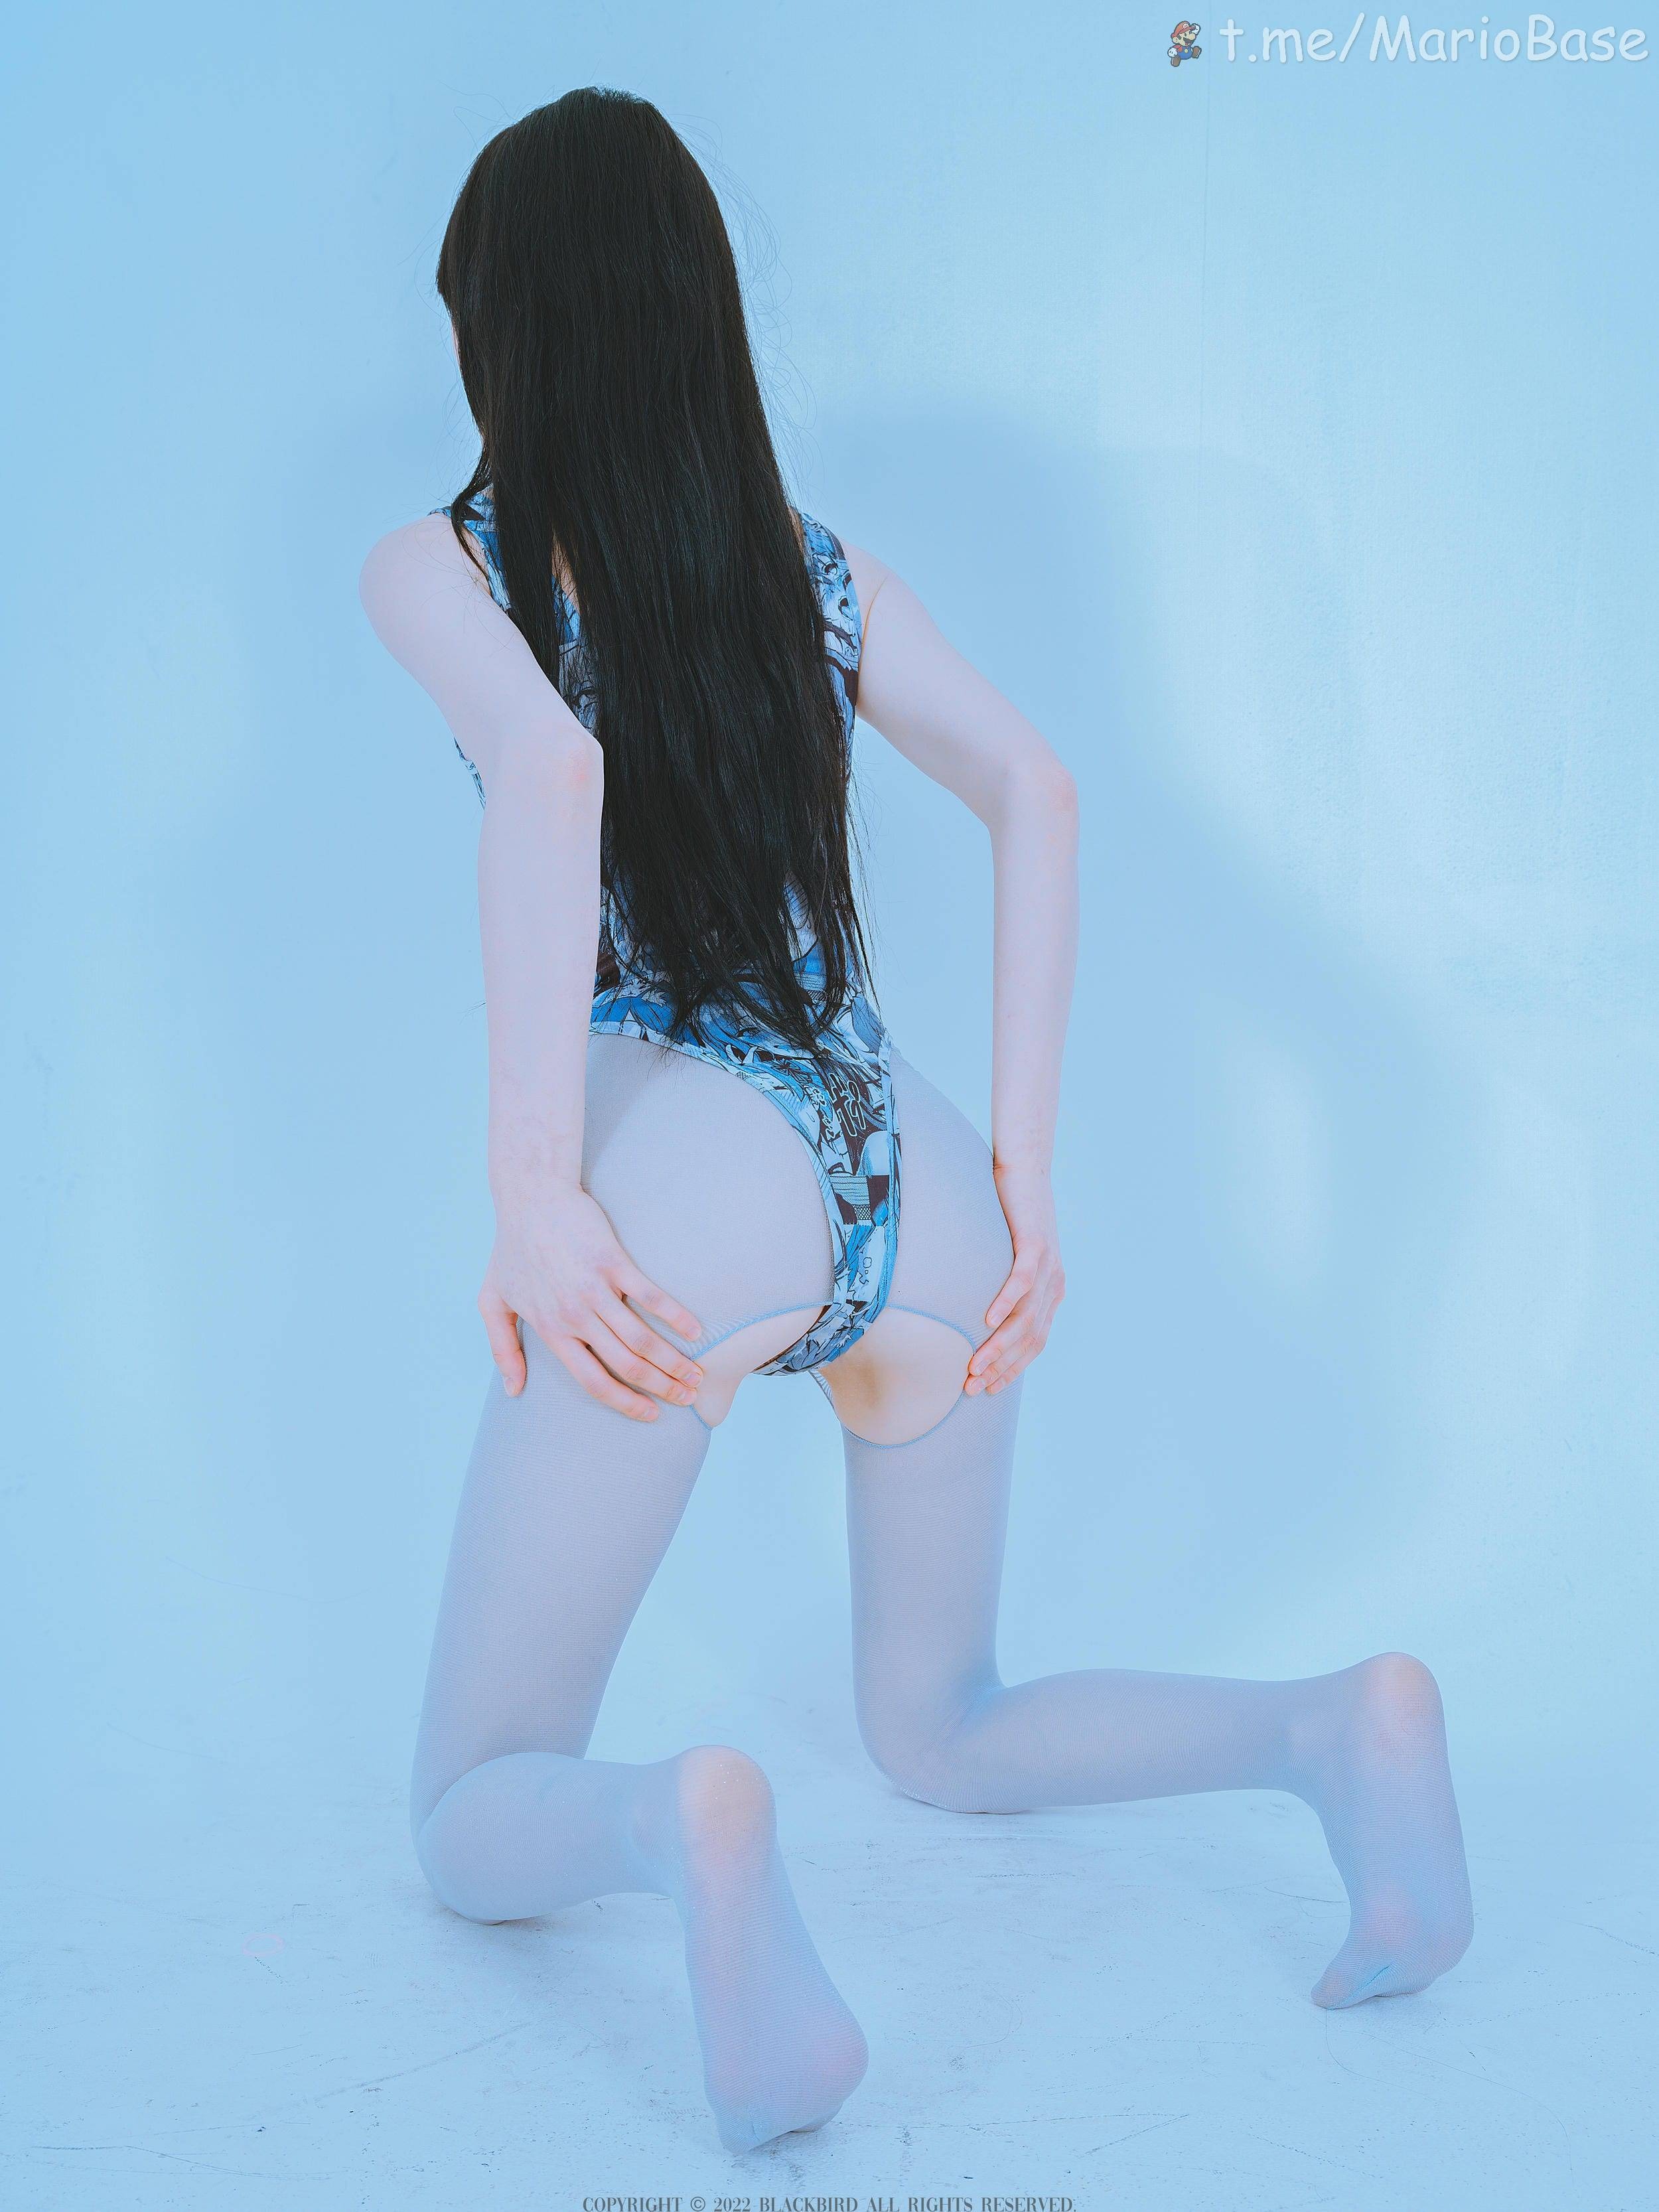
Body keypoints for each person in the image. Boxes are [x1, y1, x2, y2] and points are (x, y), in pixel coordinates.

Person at [359, 87, 1473, 2155]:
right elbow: (1037, 786)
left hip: (678, 1201)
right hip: (912, 1179)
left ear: (500, 324)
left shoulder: (449, 563)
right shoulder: (811, 571)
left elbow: (549, 773)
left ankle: (684, 1825)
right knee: (945, 1727)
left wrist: (530, 1194)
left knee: (464, 1809)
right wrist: (1022, 1171)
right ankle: (1336, 1730)